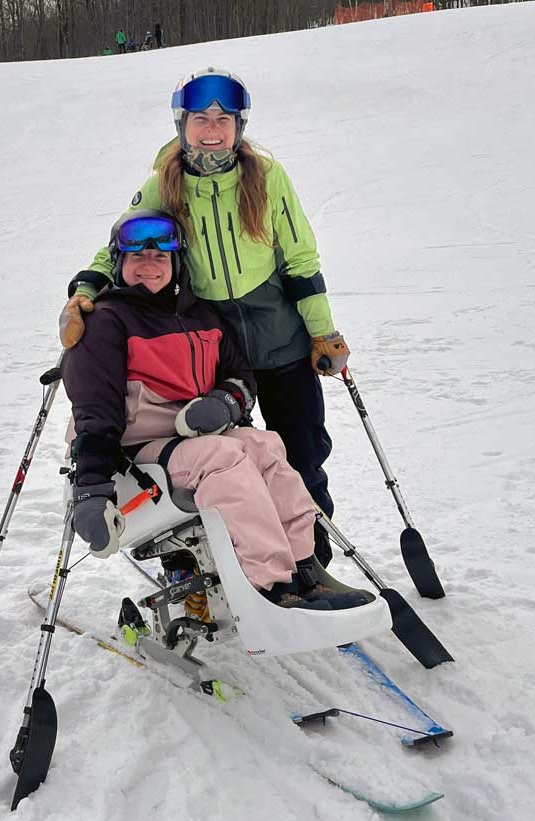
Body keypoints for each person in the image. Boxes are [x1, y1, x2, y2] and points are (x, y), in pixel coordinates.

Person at [60, 68, 350, 568]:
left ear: (239, 125)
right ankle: (242, 565)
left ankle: (312, 564)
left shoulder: (269, 177)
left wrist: (322, 331)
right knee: (234, 463)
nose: (212, 128)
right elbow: (125, 241)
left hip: (280, 338)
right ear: (182, 124)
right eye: (200, 118)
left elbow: (301, 261)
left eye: (223, 118)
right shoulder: (164, 183)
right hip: (216, 346)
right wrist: (85, 290)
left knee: (299, 455)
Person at [62, 211, 365, 617]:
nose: (149, 266)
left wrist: (224, 403)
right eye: (137, 258)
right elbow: (94, 412)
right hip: (136, 455)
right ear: (119, 264)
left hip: (192, 439)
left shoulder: (201, 314)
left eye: (160, 258)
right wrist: (91, 489)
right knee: (225, 459)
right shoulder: (105, 321)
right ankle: (272, 585)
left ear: (177, 265)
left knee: (265, 445)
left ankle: (305, 570)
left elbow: (240, 377)